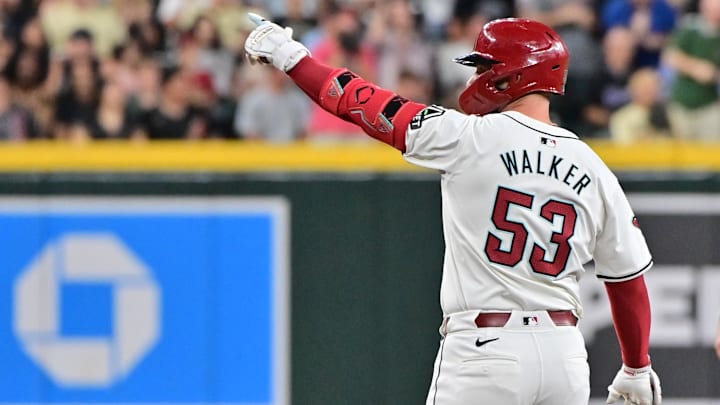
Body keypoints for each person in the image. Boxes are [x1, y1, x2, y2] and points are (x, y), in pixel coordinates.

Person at [245, 14, 662, 405]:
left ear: (513, 74)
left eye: (485, 66)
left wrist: (290, 56)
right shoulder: (594, 166)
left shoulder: (466, 137)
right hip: (565, 357)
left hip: (486, 350)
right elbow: (627, 279)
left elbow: (357, 100)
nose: (477, 76)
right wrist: (636, 366)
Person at [662, 0, 720, 141]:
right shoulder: (690, 27)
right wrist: (696, 68)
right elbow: (670, 57)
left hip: (710, 105)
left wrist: (713, 74)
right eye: (711, 8)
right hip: (681, 103)